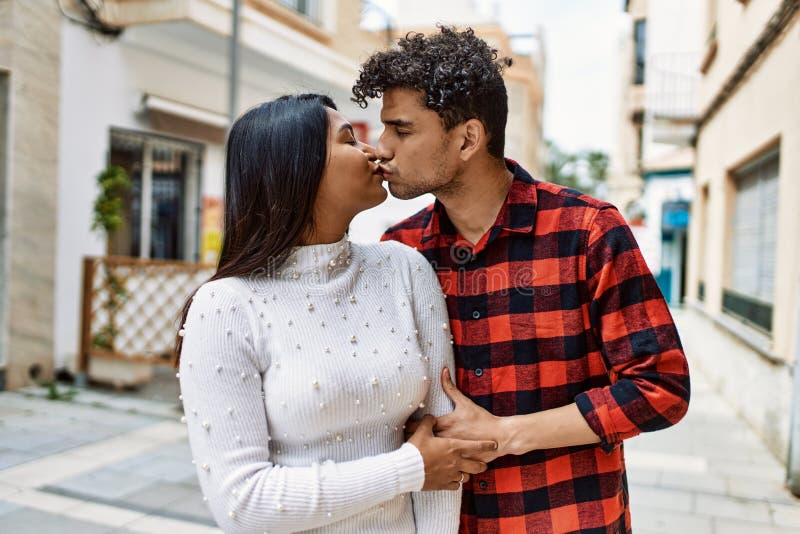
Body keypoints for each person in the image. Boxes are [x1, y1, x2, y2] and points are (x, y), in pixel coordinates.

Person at [352, 27, 691, 533]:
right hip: (445, 521)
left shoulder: (587, 231)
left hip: (569, 521)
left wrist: (506, 434)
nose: (382, 149)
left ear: (467, 138)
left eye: (401, 130)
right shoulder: (398, 250)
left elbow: (661, 386)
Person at [174, 94, 497, 533]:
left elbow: (443, 443)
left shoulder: (404, 268)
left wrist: (425, 472)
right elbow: (243, 503)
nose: (375, 151)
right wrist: (408, 469)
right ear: (298, 169)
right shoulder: (226, 307)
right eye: (349, 139)